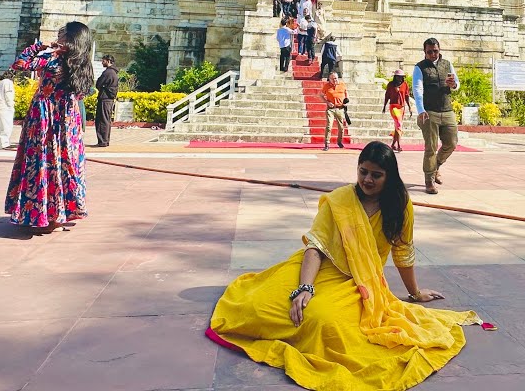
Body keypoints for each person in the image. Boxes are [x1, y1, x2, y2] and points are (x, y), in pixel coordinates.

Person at [206, 142, 481, 391]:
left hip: (358, 281)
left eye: (376, 175)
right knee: (255, 306)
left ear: (389, 177)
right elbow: (316, 247)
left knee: (322, 321)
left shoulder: (400, 206)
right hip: (317, 267)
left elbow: (403, 253)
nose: (367, 180)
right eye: (363, 171)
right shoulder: (339, 200)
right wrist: (305, 288)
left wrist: (415, 292)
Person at [5, 21, 95, 231]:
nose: (58, 35)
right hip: (69, 119)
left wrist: (38, 46)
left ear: (69, 37)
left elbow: (20, 64)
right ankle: (62, 211)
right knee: (65, 161)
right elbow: (83, 92)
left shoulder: (51, 58)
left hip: (45, 115)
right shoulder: (82, 63)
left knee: (43, 160)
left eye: (61, 33)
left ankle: (42, 213)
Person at [413, 38, 459, 195]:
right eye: (429, 52)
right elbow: (417, 89)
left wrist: (453, 84)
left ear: (440, 50)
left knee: (451, 143)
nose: (433, 54)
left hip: (447, 110)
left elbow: (456, 84)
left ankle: (437, 165)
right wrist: (421, 110)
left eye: (435, 51)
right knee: (431, 147)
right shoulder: (420, 67)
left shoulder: (447, 64)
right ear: (424, 52)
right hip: (429, 112)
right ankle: (429, 180)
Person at [382, 68, 413, 152]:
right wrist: (384, 106)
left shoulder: (405, 84)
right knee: (399, 124)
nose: (400, 78)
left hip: (402, 107)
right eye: (398, 77)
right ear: (395, 77)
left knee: (397, 126)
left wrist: (409, 107)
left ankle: (393, 144)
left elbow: (406, 96)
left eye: (401, 77)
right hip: (393, 107)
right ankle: (399, 145)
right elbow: (387, 95)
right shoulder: (391, 85)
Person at [94, 54, 119, 147]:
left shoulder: (108, 73)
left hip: (105, 99)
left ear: (108, 61)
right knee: (106, 120)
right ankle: (105, 140)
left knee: (102, 120)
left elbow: (98, 84)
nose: (102, 62)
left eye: (103, 60)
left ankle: (103, 141)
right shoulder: (113, 72)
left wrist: (102, 86)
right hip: (109, 99)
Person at [321, 72, 349, 150]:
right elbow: (321, 95)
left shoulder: (342, 85)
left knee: (341, 127)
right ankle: (327, 143)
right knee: (329, 126)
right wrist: (327, 102)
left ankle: (339, 141)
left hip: (340, 108)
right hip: (331, 109)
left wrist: (346, 101)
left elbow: (346, 93)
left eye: (336, 78)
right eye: (333, 79)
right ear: (329, 79)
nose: (335, 80)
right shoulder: (326, 86)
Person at [0, 70, 16, 149]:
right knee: (6, 126)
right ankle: (4, 144)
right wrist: (11, 105)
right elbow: (8, 95)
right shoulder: (8, 82)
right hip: (5, 107)